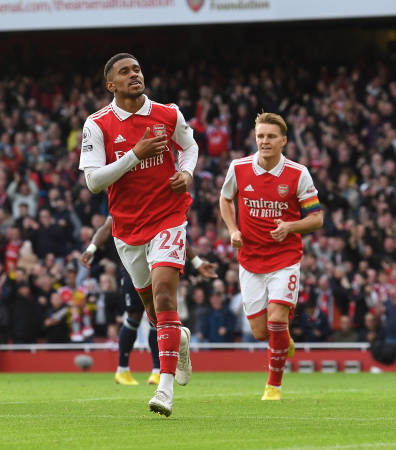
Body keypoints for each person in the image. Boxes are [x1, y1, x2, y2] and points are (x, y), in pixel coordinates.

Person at [79, 53, 200, 416]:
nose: (134, 75)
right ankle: (177, 339)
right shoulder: (97, 124)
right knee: (152, 310)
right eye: (124, 72)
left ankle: (163, 389)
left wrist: (187, 173)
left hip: (168, 216)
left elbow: (190, 147)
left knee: (165, 295)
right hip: (127, 228)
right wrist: (135, 154)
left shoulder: (167, 113)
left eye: (137, 69)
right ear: (110, 85)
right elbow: (93, 181)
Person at [219, 112, 323, 400]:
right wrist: (232, 229)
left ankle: (273, 386)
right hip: (250, 260)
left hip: (285, 258)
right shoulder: (239, 168)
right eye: (261, 136)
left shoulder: (298, 173)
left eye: (271, 136)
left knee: (276, 320)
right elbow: (226, 198)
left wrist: (290, 226)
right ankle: (284, 336)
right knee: (260, 332)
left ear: (283, 141)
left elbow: (316, 218)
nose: (265, 141)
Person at [80, 216, 217, 386]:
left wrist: (196, 262)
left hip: (158, 265)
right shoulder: (125, 203)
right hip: (132, 268)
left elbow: (177, 234)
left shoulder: (159, 205)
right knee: (133, 316)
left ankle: (157, 371)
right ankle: (122, 370)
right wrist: (91, 249)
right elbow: (107, 227)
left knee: (158, 317)